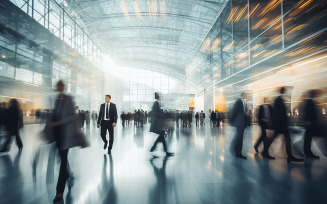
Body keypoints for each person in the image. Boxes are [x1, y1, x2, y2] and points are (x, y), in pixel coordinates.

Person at [50, 80, 83, 202]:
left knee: (63, 162)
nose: (58, 87)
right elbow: (55, 114)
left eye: (60, 85)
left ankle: (59, 191)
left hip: (66, 134)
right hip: (57, 134)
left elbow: (72, 116)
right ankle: (69, 176)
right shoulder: (57, 99)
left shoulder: (68, 99)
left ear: (63, 87)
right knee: (62, 159)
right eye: (57, 85)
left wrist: (60, 122)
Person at [264, 87, 304, 163]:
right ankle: (265, 151)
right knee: (275, 138)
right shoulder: (278, 100)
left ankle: (289, 156)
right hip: (280, 124)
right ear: (283, 91)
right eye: (286, 91)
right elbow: (278, 114)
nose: (287, 92)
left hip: (281, 124)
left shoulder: (279, 99)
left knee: (285, 138)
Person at [302, 89, 324, 159]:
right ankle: (308, 152)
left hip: (309, 123)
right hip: (310, 123)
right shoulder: (310, 101)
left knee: (308, 137)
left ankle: (307, 152)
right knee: (308, 137)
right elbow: (310, 114)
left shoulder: (308, 101)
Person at [229, 92, 248, 159]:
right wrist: (231, 120)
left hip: (242, 123)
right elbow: (234, 111)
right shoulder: (239, 101)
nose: (247, 96)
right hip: (239, 123)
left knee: (240, 138)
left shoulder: (244, 102)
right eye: (246, 95)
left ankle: (238, 152)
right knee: (239, 137)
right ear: (243, 95)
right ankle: (234, 149)